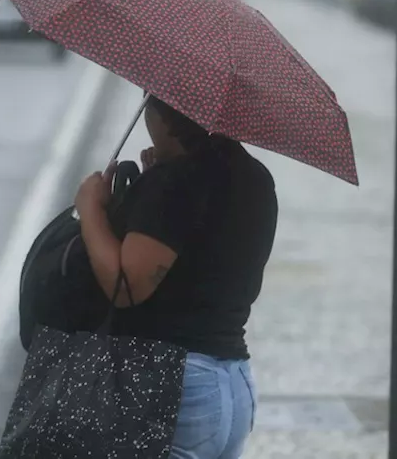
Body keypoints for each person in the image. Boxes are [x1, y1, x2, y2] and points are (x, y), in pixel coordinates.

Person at [73, 95, 278, 459]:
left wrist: (90, 210)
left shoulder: (176, 183)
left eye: (148, 104)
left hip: (174, 384)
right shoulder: (255, 177)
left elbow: (125, 285)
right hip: (232, 381)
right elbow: (204, 248)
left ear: (168, 117)